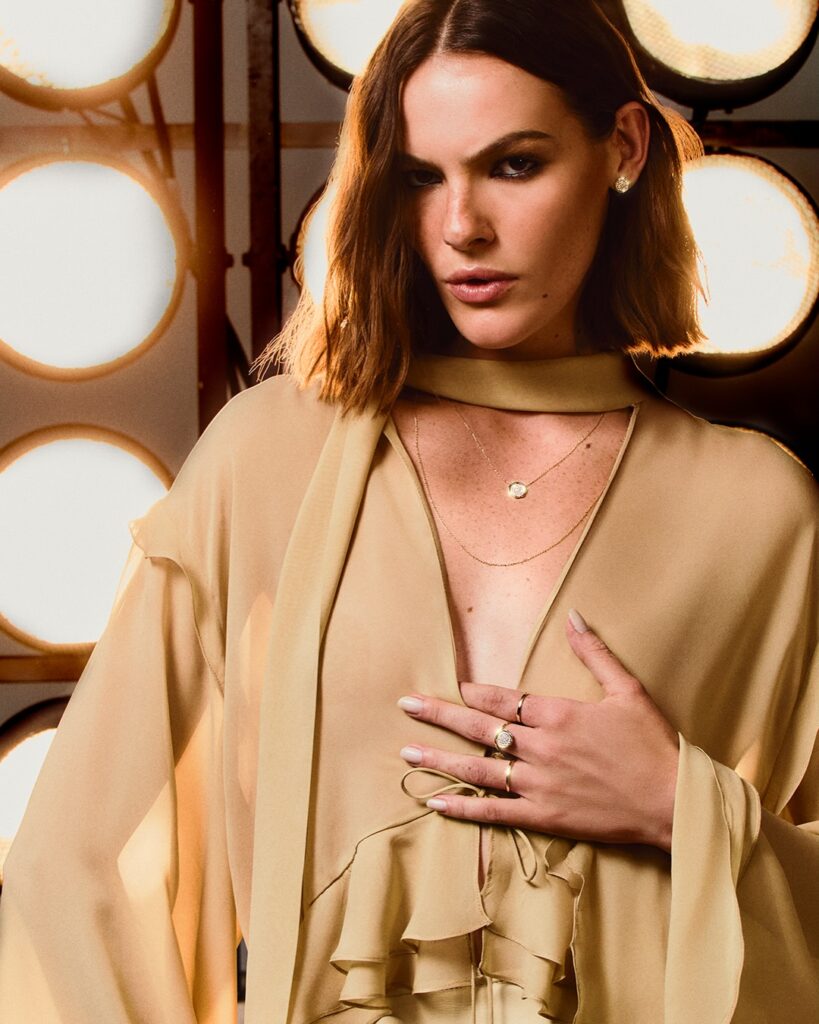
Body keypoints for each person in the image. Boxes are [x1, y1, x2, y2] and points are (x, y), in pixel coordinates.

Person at [0, 0, 817, 1021]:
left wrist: (679, 808)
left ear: (622, 147)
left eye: (513, 164)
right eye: (423, 176)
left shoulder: (756, 511)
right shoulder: (266, 458)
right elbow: (72, 865)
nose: (462, 226)